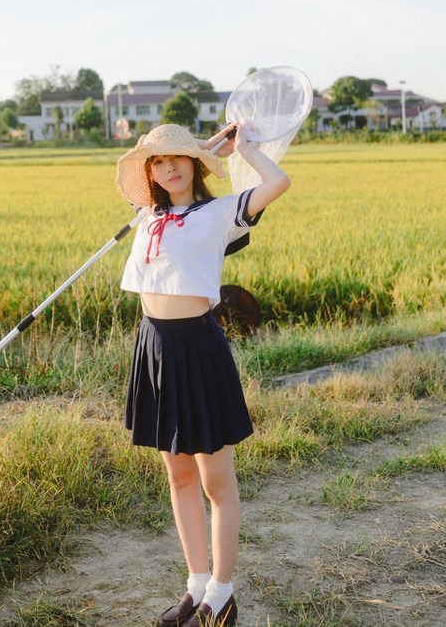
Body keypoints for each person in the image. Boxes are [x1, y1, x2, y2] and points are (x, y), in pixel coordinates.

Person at [115, 122, 291, 627]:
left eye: (178, 159)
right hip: (154, 346)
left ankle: (222, 591)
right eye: (158, 161)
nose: (168, 167)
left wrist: (243, 150)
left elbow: (278, 184)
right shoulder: (147, 215)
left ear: (195, 165)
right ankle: (195, 585)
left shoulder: (218, 214)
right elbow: (161, 188)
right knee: (178, 473)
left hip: (197, 347)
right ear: (149, 172)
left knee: (215, 478)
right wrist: (197, 148)